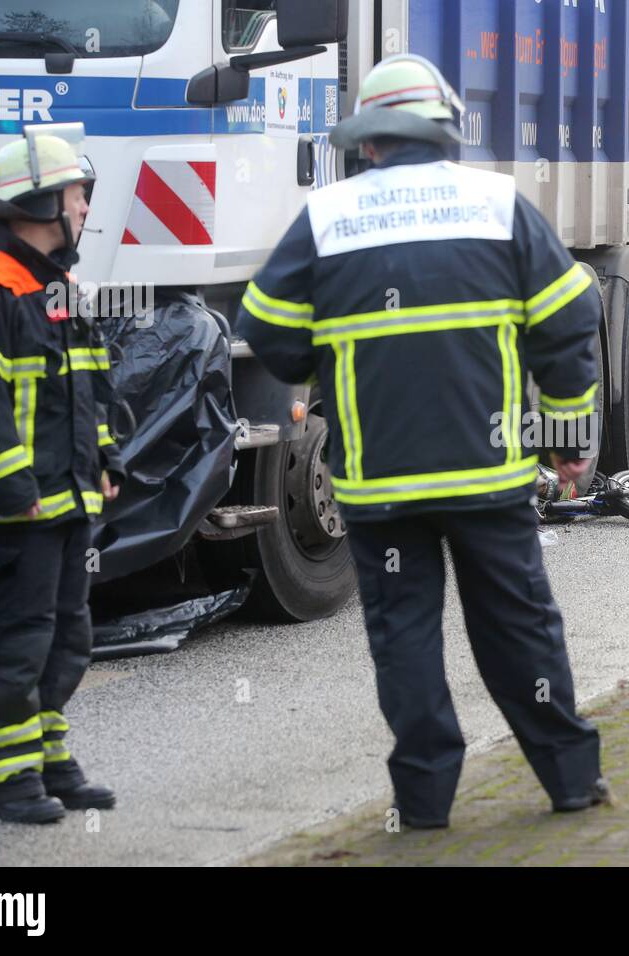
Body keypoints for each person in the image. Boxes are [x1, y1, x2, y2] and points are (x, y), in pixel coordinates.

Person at [236, 54, 606, 828]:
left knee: (403, 640)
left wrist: (322, 364)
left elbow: (262, 326)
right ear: (445, 130)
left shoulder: (328, 217)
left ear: (369, 140)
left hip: (381, 486)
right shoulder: (496, 204)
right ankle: (570, 779)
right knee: (517, 626)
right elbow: (570, 318)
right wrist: (568, 436)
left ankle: (425, 804)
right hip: (489, 472)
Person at [0, 125, 123, 824]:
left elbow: (91, 389)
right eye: (76, 193)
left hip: (66, 506)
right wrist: (17, 497)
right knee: (10, 647)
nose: (82, 207)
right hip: (19, 514)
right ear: (43, 205)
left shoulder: (62, 287)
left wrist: (108, 461)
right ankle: (4, 782)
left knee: (63, 640)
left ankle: (47, 762)